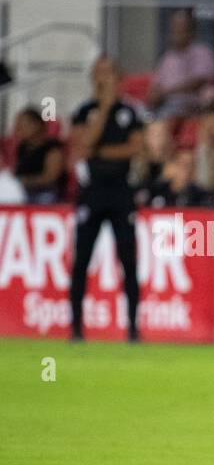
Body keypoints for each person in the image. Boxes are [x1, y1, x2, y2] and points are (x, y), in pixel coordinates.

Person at [69, 57, 145, 342]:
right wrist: (103, 108)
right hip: (92, 192)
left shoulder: (130, 112)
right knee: (81, 260)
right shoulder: (84, 111)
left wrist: (101, 151)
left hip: (121, 191)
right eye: (100, 74)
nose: (105, 80)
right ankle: (76, 328)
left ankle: (133, 328)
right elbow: (84, 146)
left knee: (128, 259)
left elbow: (135, 148)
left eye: (110, 73)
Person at [147, 10, 214, 120]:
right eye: (174, 28)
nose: (176, 33)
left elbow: (199, 82)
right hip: (164, 106)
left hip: (190, 106)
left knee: (163, 118)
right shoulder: (167, 57)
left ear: (191, 31)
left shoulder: (202, 52)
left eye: (181, 28)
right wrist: (154, 95)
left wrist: (167, 92)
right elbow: (157, 85)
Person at [10, 106, 65, 204]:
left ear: (37, 124)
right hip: (21, 192)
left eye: (24, 125)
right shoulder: (22, 147)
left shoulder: (52, 148)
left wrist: (25, 181)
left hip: (44, 194)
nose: (19, 129)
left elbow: (50, 178)